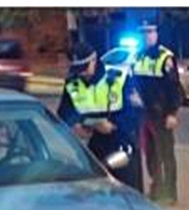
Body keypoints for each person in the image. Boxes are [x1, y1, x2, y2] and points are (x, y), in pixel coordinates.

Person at [57, 42, 144, 191]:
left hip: (121, 143)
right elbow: (64, 113)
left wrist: (112, 126)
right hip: (93, 147)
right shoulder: (73, 83)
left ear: (94, 59)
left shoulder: (119, 78)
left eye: (84, 68)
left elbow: (136, 112)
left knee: (128, 196)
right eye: (78, 69)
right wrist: (74, 125)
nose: (82, 73)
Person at [131, 22, 182, 204]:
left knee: (166, 155)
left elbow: (174, 88)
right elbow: (133, 83)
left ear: (157, 34)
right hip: (144, 114)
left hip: (161, 114)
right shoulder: (137, 57)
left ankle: (170, 193)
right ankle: (156, 187)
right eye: (144, 33)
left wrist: (172, 113)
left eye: (150, 32)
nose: (147, 36)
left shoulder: (165, 57)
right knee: (151, 154)